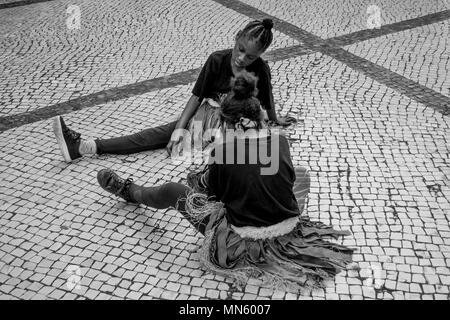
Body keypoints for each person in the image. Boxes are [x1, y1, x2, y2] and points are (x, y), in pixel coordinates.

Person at [96, 71, 354, 289]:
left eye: (224, 125)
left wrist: (209, 174)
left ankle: (131, 191)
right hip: (287, 229)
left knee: (173, 191)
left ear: (238, 123)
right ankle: (269, 209)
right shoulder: (280, 141)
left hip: (242, 241)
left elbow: (214, 199)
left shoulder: (224, 152)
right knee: (299, 173)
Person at [53, 18, 296, 163]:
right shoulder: (216, 60)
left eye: (250, 56)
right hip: (206, 120)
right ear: (235, 38)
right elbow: (196, 97)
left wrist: (275, 119)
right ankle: (86, 147)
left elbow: (266, 101)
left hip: (232, 130)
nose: (242, 58)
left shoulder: (260, 70)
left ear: (261, 55)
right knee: (157, 135)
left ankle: (85, 147)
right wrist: (180, 128)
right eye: (240, 49)